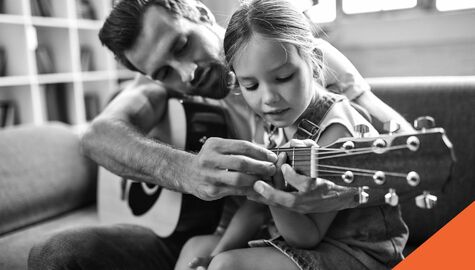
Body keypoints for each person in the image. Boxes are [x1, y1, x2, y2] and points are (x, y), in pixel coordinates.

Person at [28, 1, 412, 269]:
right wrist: (187, 171)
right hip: (218, 229)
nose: (186, 74)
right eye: (163, 72)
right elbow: (97, 136)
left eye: (182, 45)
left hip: (306, 237)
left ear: (199, 12)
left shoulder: (293, 54)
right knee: (54, 253)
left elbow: (401, 150)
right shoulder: (162, 90)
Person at [174, 1, 408, 269]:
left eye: (284, 77)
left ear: (315, 63)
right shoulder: (276, 123)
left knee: (228, 265)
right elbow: (253, 207)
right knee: (196, 249)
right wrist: (213, 254)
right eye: (251, 85)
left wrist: (272, 188)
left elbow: (307, 236)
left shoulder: (337, 130)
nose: (269, 98)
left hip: (358, 252)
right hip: (301, 242)